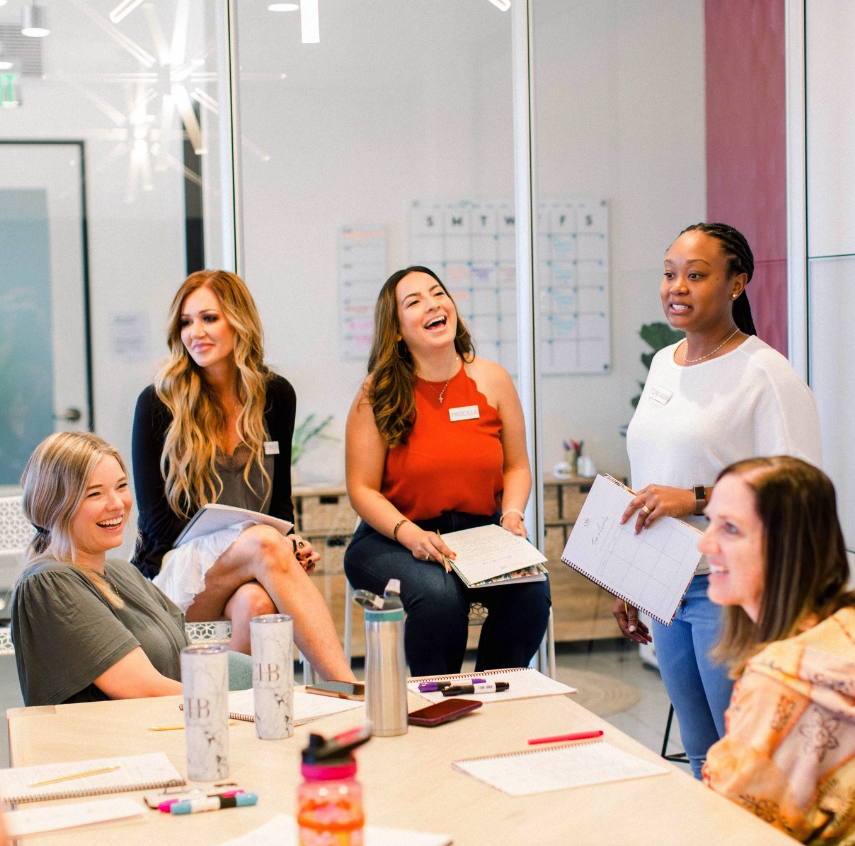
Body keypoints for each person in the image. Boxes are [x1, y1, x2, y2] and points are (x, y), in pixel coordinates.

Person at [614, 223, 822, 779]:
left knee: (745, 757)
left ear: (737, 283)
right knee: (703, 754)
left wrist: (698, 498)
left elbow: (799, 489)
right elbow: (651, 477)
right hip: (664, 580)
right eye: (669, 274)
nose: (677, 287)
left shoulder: (765, 373)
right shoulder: (664, 363)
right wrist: (630, 578)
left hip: (726, 587)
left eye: (696, 275)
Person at [131, 269, 355, 681]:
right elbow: (157, 525)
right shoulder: (158, 403)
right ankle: (347, 687)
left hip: (248, 567)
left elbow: (279, 503)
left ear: (239, 321)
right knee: (264, 543)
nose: (194, 331)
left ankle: (230, 716)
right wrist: (255, 543)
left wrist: (291, 541)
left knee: (257, 604)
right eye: (186, 321)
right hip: (173, 573)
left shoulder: (275, 395)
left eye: (209, 318)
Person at [344, 265, 551, 676]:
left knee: (530, 592)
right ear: (397, 330)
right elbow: (362, 489)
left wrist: (512, 514)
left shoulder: (492, 378)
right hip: (396, 537)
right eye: (414, 301)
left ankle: (496, 693)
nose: (433, 304)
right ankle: (437, 700)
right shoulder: (378, 392)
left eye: (437, 293)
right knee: (438, 596)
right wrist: (412, 535)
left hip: (480, 534)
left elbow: (516, 465)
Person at [701, 457, 855, 844]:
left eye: (731, 529)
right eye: (709, 521)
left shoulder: (779, 680)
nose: (705, 542)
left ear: (787, 547)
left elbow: (736, 829)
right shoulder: (842, 627)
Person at [11, 432, 186, 706]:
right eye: (94, 494)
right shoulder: (48, 583)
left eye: (121, 486)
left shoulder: (124, 573)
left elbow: (187, 659)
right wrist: (233, 701)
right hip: (119, 746)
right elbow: (142, 688)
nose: (117, 504)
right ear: (54, 505)